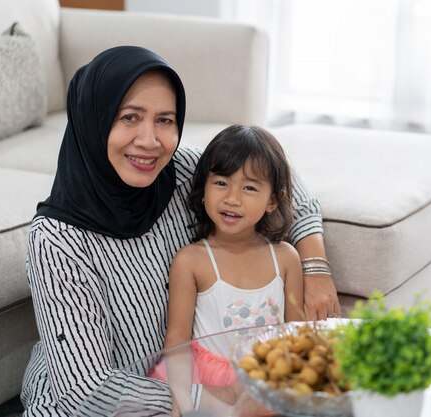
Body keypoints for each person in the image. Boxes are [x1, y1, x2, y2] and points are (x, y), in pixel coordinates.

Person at [21, 46, 340, 416]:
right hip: (104, 403)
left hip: (199, 380)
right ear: (94, 118)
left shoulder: (184, 172)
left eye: (165, 120)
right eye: (129, 117)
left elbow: (285, 187)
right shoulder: (56, 240)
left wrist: (315, 268)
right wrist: (218, 403)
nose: (150, 140)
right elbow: (88, 390)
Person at [149, 125, 305, 410]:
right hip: (211, 382)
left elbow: (296, 335)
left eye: (249, 188)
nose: (232, 198)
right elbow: (177, 339)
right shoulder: (191, 260)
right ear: (204, 189)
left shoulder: (285, 258)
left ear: (272, 200)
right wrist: (180, 400)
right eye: (221, 183)